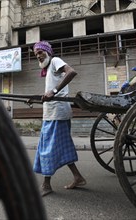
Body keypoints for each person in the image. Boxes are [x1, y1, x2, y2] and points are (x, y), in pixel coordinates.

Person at [32, 41, 86, 197]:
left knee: (47, 147)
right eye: (36, 54)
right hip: (52, 113)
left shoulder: (55, 61)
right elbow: (48, 94)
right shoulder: (48, 69)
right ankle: (78, 177)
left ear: (48, 52)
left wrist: (54, 91)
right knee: (59, 146)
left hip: (57, 113)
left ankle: (46, 184)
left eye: (40, 52)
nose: (38, 56)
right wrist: (37, 98)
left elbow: (72, 72)